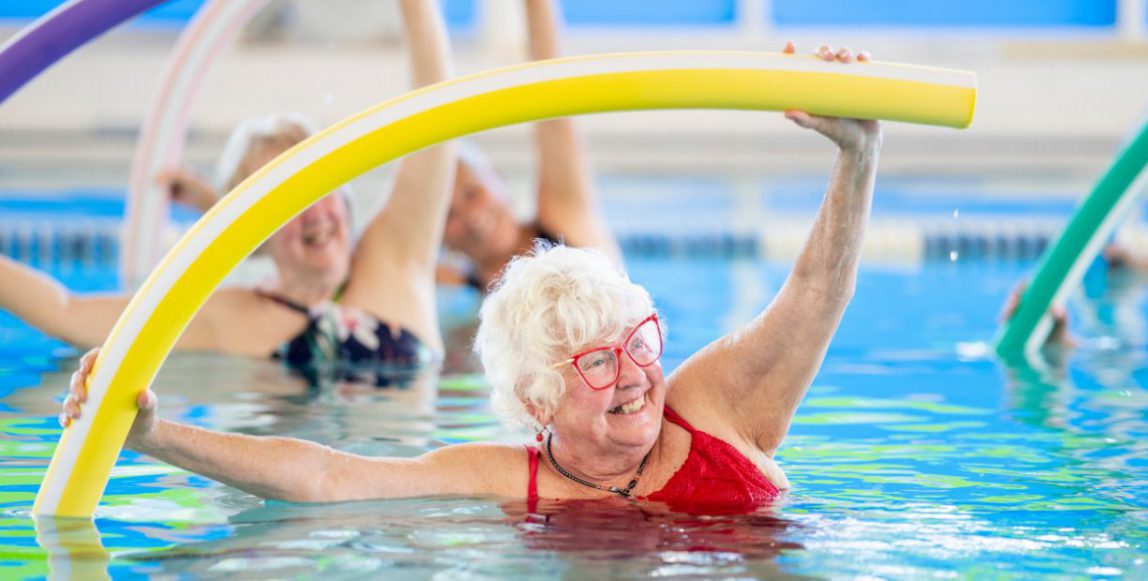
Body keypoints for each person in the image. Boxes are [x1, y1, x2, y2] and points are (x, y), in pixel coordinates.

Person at [61, 44, 880, 513]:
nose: (636, 375)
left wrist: (858, 150)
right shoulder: (508, 476)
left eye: (638, 343)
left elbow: (818, 291)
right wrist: (154, 437)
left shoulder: (713, 403)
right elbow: (326, 475)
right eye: (597, 362)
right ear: (537, 402)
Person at [1, 0, 455, 384]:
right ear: (251, 229)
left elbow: (437, 114)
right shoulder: (230, 316)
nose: (314, 209)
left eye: (322, 184)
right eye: (287, 199)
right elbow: (68, 313)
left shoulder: (397, 254)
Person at [438, 0, 620, 292]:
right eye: (448, 215)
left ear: (497, 179)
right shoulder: (456, 298)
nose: (471, 218)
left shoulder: (564, 223)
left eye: (473, 193)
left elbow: (552, 93)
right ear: (437, 237)